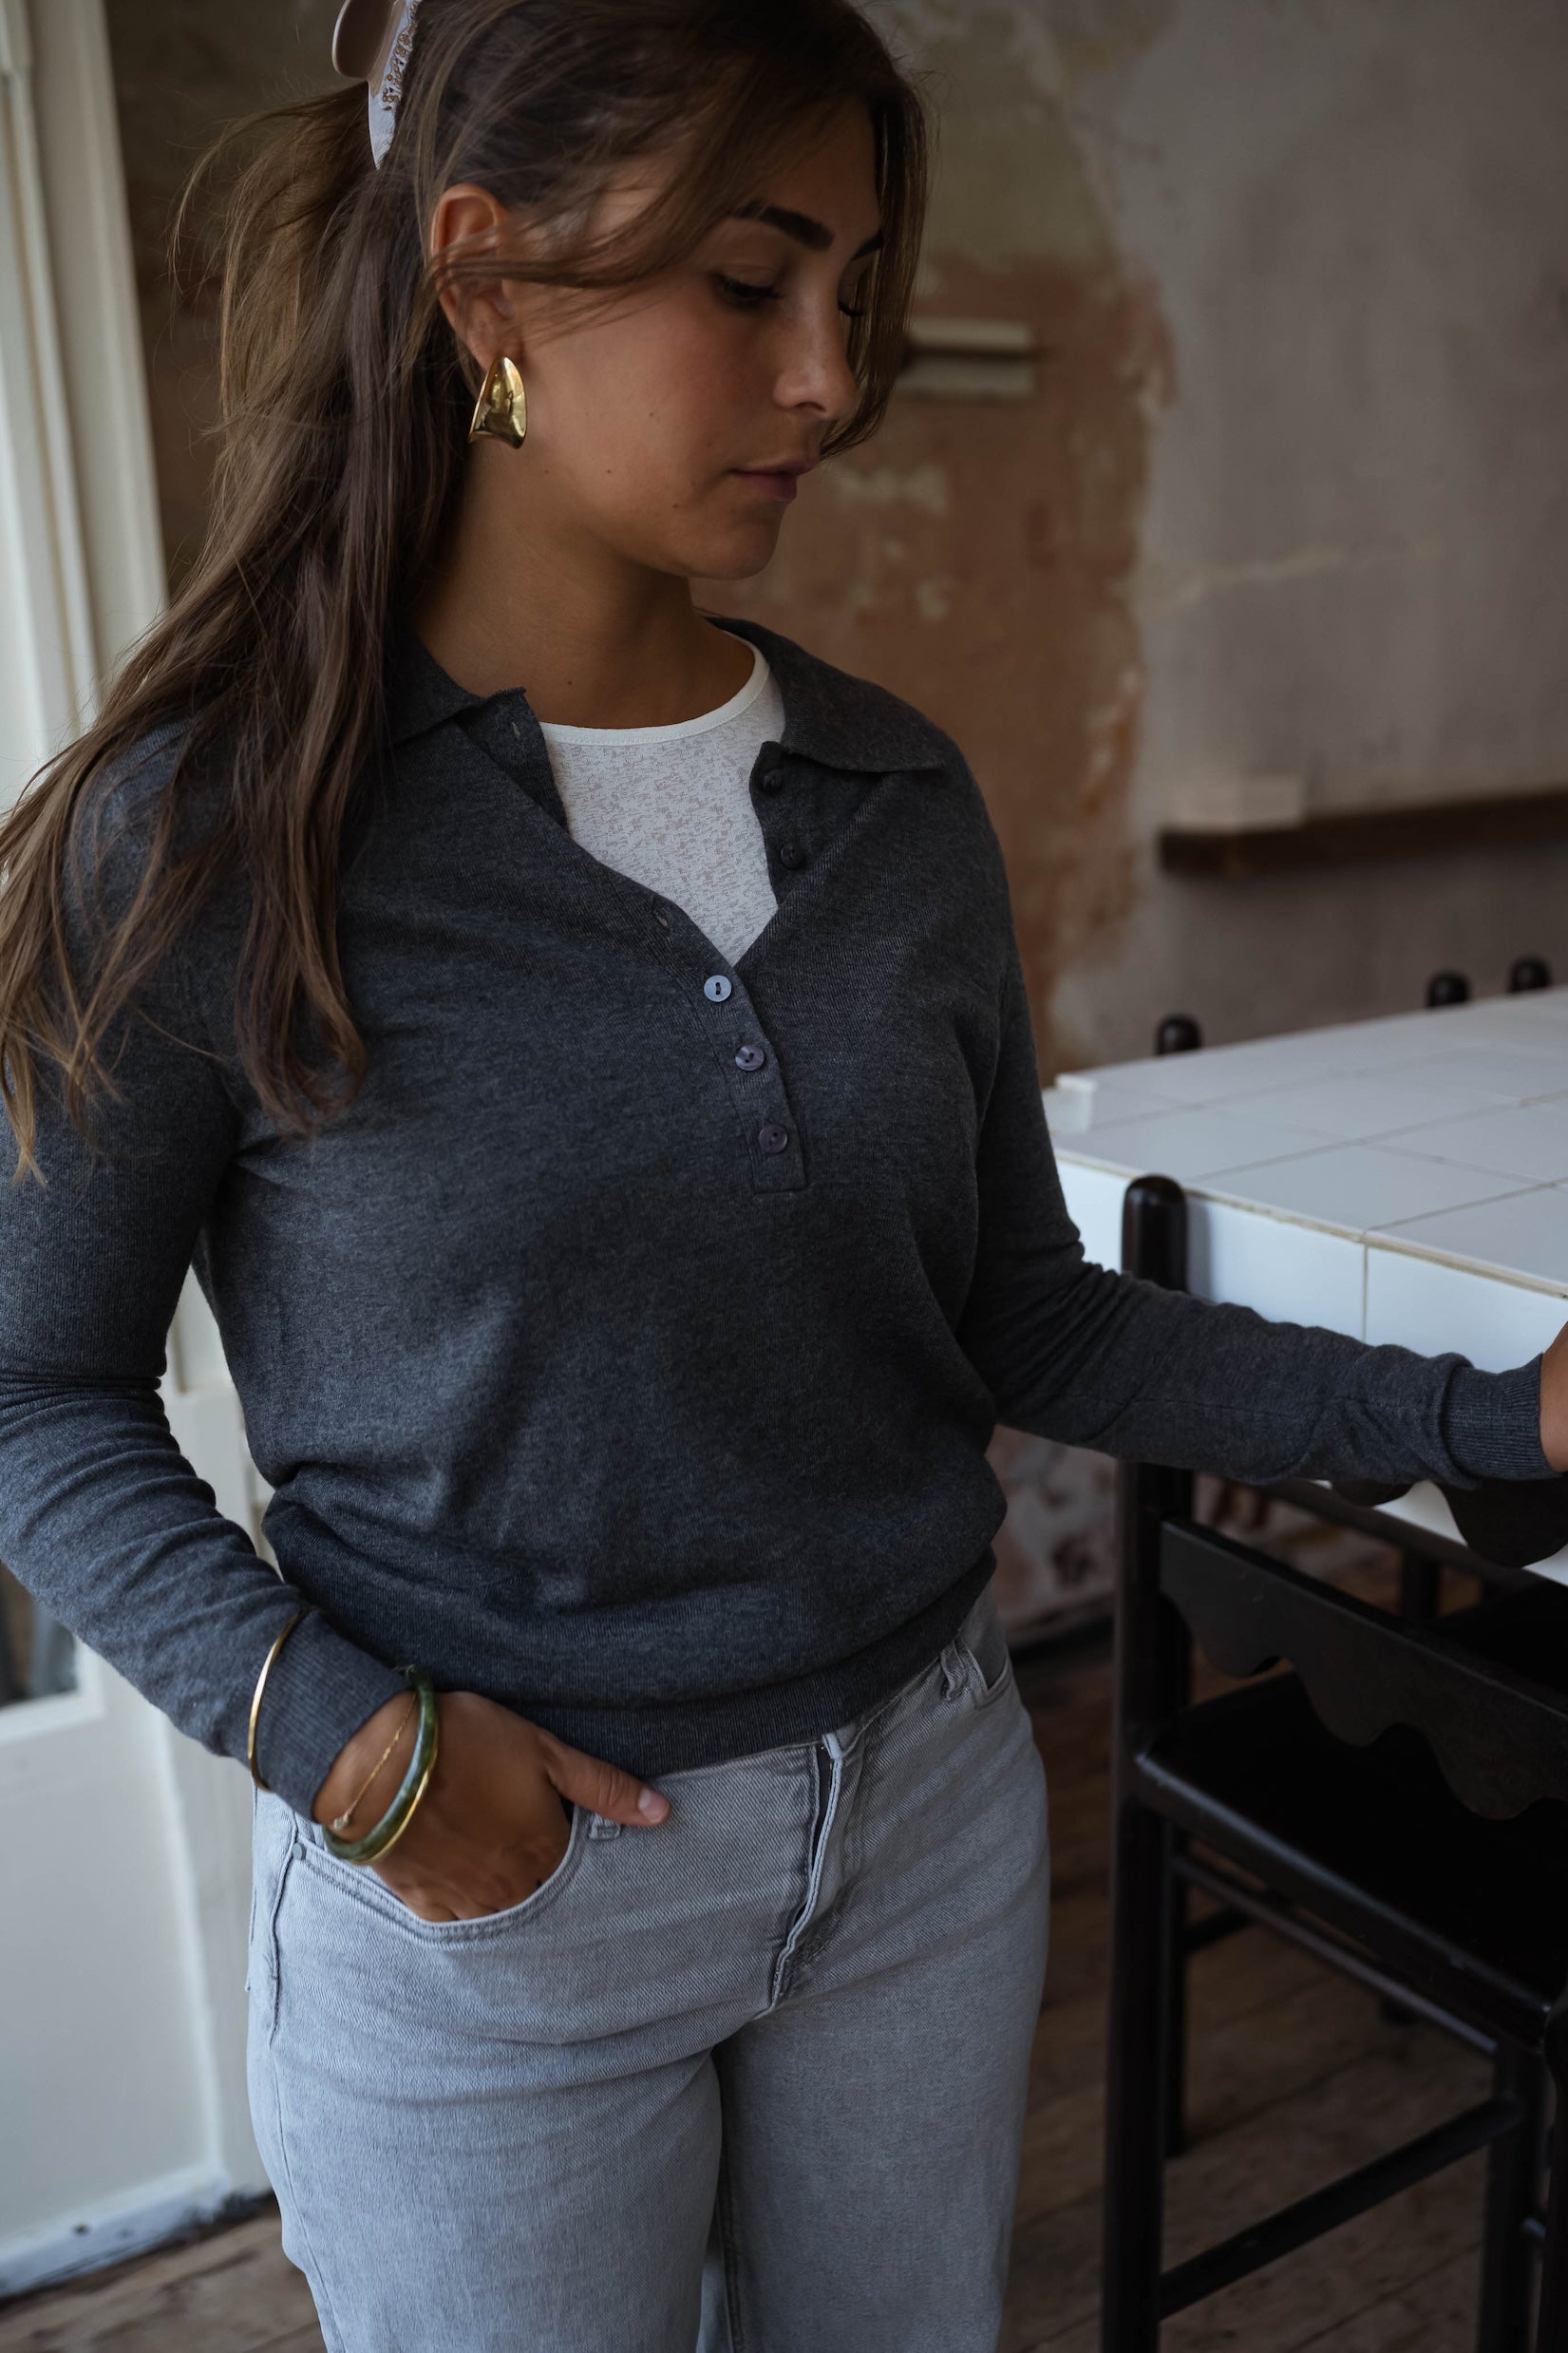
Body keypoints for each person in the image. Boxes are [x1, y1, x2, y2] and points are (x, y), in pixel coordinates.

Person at [1, 2, 1564, 2346]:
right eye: (750, 281)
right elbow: (34, 1395)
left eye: (854, 284)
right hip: (498, 1907)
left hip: (927, 1835)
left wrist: (1494, 1426)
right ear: (482, 279)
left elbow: (1020, 1313)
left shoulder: (896, 799)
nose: (831, 375)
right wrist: (348, 1743)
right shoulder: (227, 829)